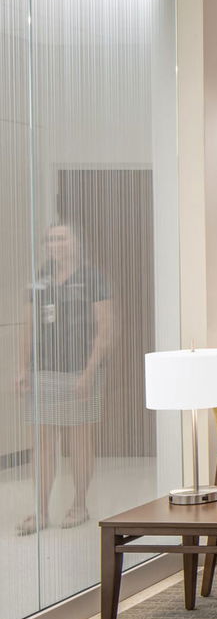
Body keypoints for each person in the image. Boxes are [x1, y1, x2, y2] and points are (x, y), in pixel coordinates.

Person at [15, 222, 114, 535]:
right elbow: (29, 326)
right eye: (49, 239)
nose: (54, 244)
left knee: (79, 440)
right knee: (42, 444)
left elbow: (105, 328)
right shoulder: (41, 278)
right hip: (44, 370)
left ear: (75, 243)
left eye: (61, 238)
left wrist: (89, 371)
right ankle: (40, 511)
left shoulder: (91, 277)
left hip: (80, 373)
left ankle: (79, 504)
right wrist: (22, 368)